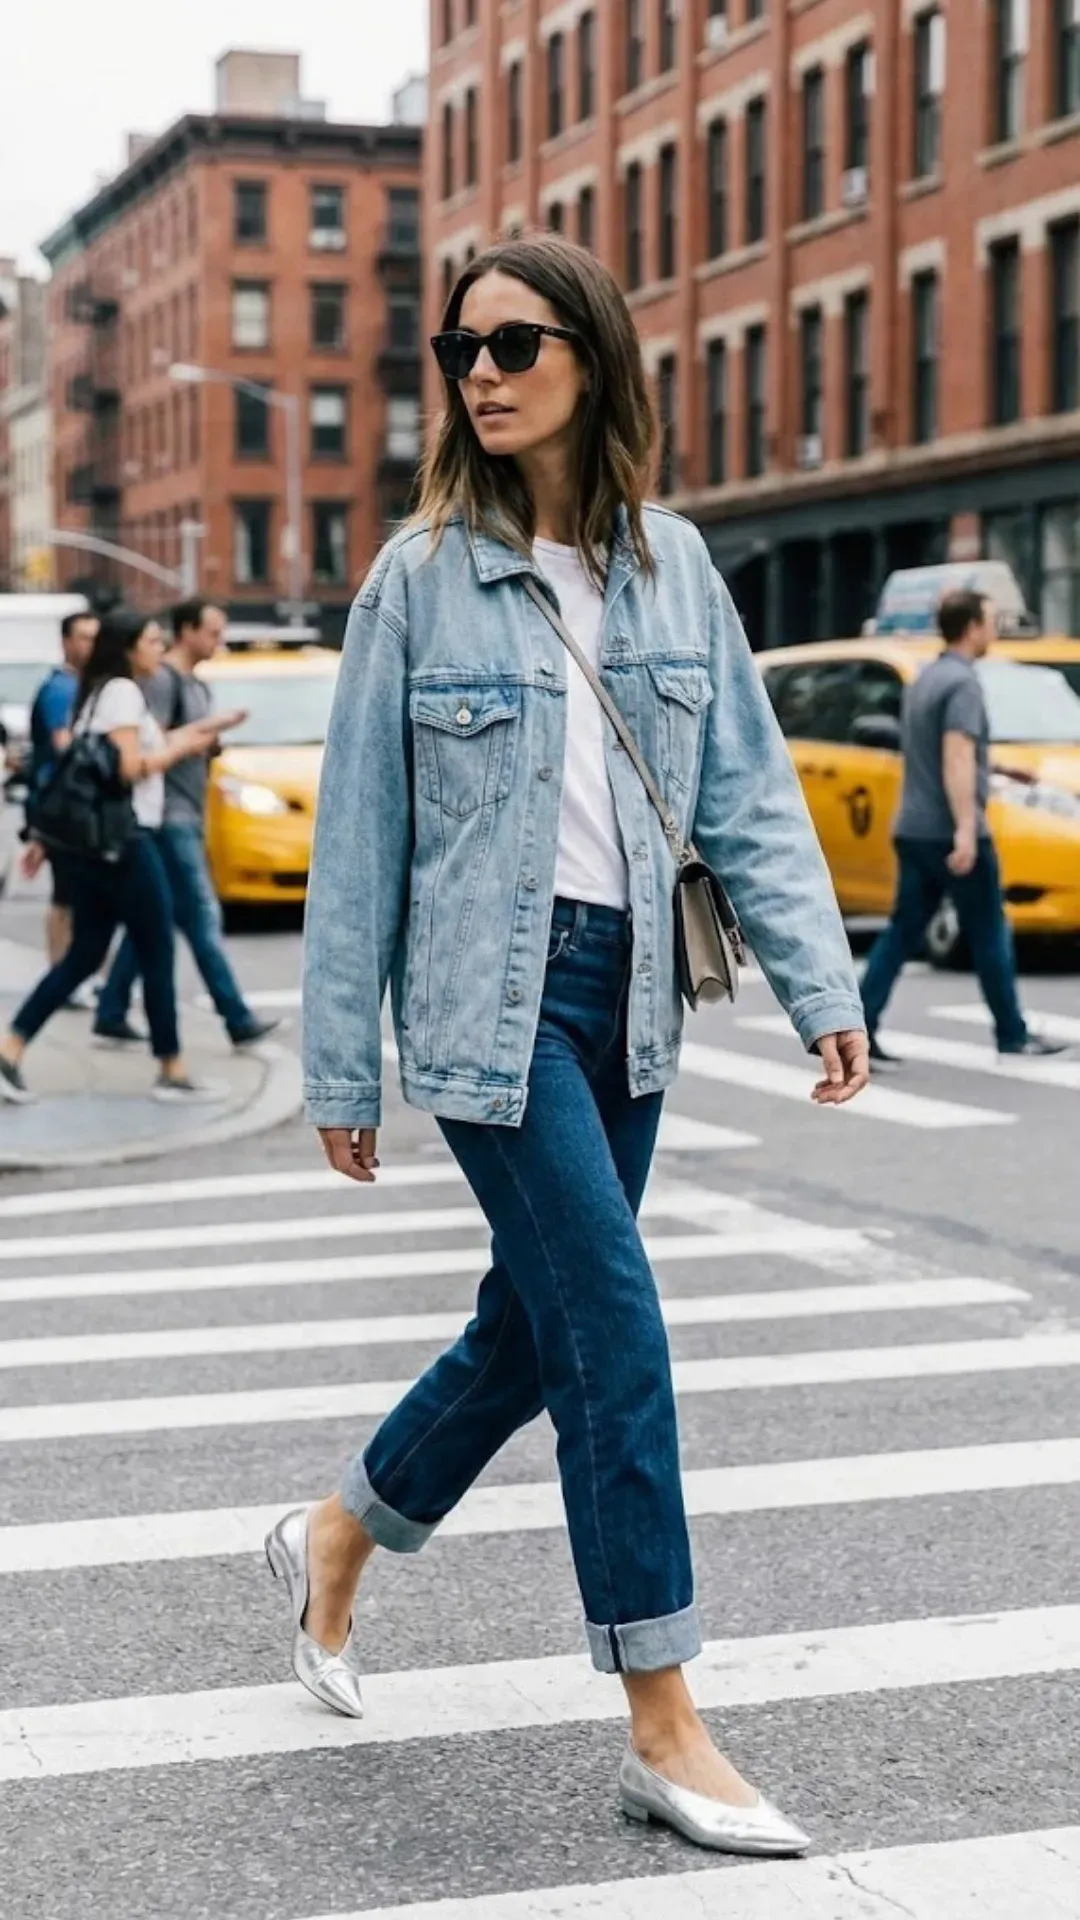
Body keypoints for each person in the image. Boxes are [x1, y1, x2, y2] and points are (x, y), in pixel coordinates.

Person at [270, 235, 868, 1859]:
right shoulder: (420, 579)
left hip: (634, 1002)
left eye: (515, 342)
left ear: (591, 356)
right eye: (462, 347)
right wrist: (340, 1070)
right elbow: (361, 844)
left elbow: (745, 790)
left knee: (532, 1337)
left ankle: (342, 1531)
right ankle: (664, 1725)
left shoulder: (675, 567)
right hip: (493, 1004)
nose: (480, 370)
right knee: (612, 1324)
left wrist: (824, 982)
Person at [0, 608, 241, 1105]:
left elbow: (124, 755)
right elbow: (132, 768)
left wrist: (199, 732)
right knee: (158, 949)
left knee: (87, 953)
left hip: (101, 845)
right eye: (152, 640)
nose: (159, 648)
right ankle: (172, 1070)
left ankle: (10, 1049)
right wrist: (178, 753)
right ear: (130, 647)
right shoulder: (124, 693)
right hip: (129, 841)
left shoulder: (101, 694)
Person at [861, 588, 1067, 1065]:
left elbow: (947, 754)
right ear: (972, 627)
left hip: (912, 827)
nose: (994, 629)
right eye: (991, 620)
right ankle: (1012, 1033)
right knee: (990, 929)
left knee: (902, 932)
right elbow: (954, 756)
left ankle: (863, 1021)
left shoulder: (926, 678)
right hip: (947, 831)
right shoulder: (964, 684)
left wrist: (996, 769)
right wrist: (966, 830)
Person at [93, 597, 280, 1049]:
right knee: (200, 915)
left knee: (155, 920)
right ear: (187, 631)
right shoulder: (160, 682)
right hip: (168, 817)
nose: (219, 641)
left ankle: (112, 1009)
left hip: (187, 812)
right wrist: (199, 736)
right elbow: (146, 746)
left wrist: (209, 741)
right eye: (212, 632)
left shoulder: (196, 684)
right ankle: (235, 1017)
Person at [26, 609, 100, 976]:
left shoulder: (83, 686)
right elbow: (62, 745)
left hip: (69, 805)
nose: (91, 645)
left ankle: (70, 972)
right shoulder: (61, 689)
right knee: (66, 895)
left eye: (95, 637)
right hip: (61, 808)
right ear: (66, 642)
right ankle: (61, 971)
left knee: (77, 893)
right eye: (84, 637)